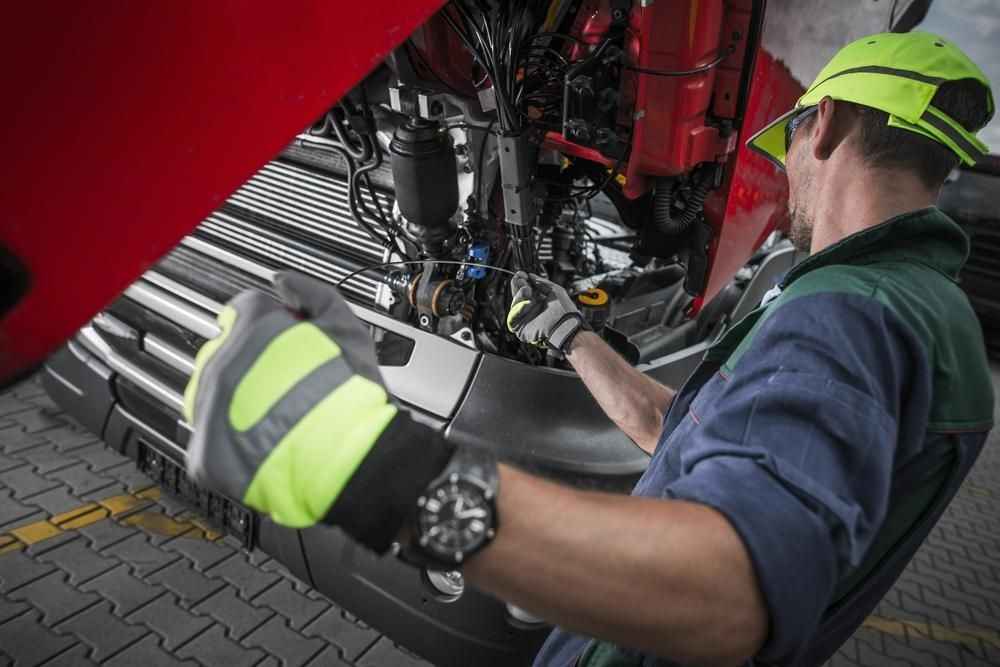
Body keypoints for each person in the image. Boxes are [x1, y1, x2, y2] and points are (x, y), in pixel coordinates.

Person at [182, 32, 995, 667]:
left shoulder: (848, 312)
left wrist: (368, 466)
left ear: (829, 126)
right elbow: (674, 427)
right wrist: (570, 333)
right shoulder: (930, 315)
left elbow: (730, 586)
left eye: (788, 145)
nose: (783, 177)